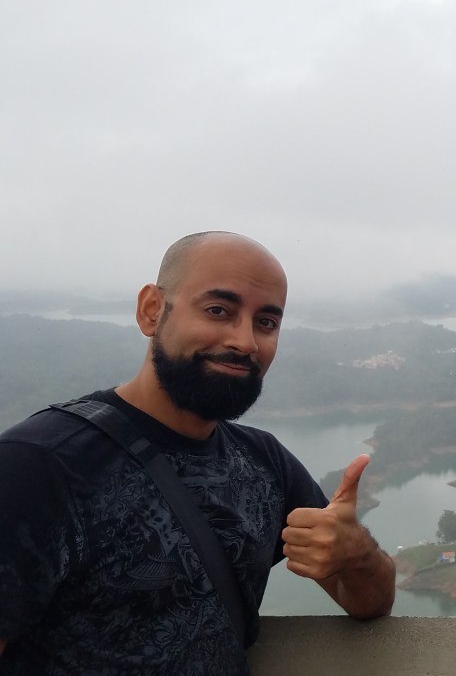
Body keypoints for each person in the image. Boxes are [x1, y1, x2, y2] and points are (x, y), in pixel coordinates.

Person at [0, 231, 395, 675]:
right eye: (218, 310)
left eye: (266, 322)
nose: (245, 341)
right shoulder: (39, 463)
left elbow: (368, 602)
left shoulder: (264, 461)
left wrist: (356, 553)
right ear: (152, 310)